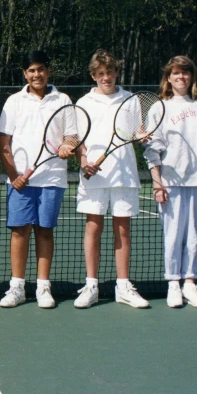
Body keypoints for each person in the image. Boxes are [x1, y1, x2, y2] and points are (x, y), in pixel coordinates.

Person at [144, 55, 197, 308]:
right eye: (176, 73)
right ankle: (173, 285)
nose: (181, 77)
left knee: (193, 235)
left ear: (192, 76)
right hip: (170, 181)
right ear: (168, 78)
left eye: (185, 73)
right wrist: (157, 183)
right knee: (172, 234)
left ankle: (190, 283)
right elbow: (151, 149)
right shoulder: (160, 107)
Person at [73, 49, 149, 308]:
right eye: (101, 73)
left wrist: (142, 136)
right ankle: (91, 285)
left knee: (123, 230)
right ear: (94, 76)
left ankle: (123, 286)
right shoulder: (83, 103)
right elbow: (78, 141)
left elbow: (136, 133)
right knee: (93, 227)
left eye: (110, 72)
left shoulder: (131, 100)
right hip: (94, 176)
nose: (106, 77)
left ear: (117, 72)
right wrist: (83, 162)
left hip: (125, 174)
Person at [0, 51, 73, 308]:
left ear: (48, 70)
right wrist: (13, 175)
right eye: (31, 70)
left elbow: (71, 137)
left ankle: (43, 287)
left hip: (52, 178)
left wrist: (67, 146)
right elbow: (4, 143)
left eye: (40, 69)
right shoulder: (14, 101)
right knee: (20, 232)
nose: (36, 74)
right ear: (24, 74)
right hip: (21, 181)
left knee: (44, 231)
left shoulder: (63, 99)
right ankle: (17, 287)